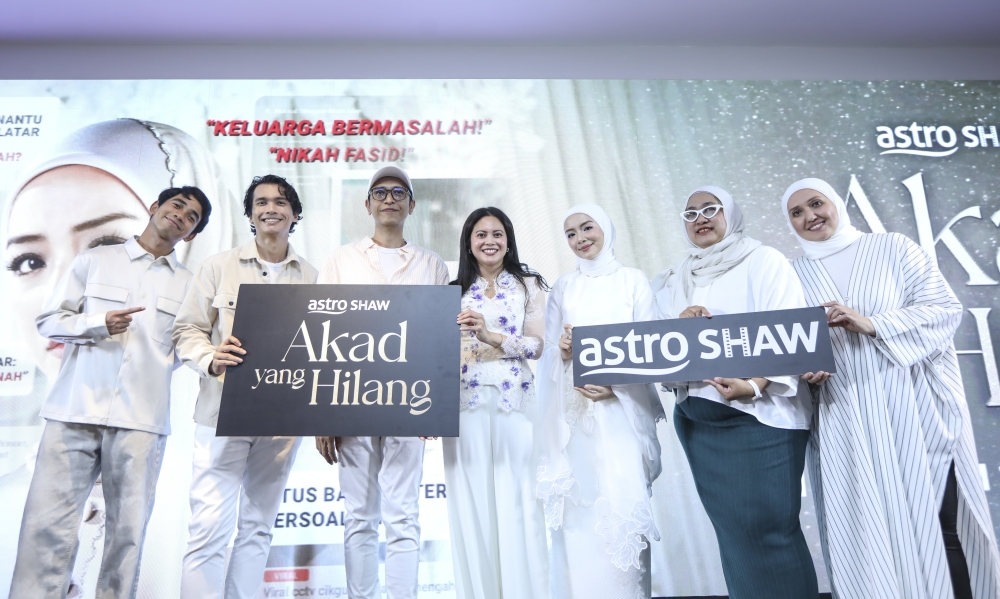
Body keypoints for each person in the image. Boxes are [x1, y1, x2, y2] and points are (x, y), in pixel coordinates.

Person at [781, 178, 1000, 599]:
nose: (810, 217)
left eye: (816, 203)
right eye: (797, 213)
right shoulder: (793, 275)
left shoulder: (893, 248)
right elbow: (786, 346)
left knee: (941, 522)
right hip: (844, 419)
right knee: (868, 531)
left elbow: (943, 309)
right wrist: (803, 367)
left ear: (836, 204)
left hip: (915, 409)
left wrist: (873, 323)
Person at [8, 185, 210, 598]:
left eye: (191, 217)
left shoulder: (191, 284)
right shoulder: (96, 260)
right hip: (73, 411)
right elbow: (50, 321)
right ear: (155, 208)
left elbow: (189, 342)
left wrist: (211, 357)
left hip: (141, 421)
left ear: (191, 234)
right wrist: (97, 322)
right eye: (176, 205)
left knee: (127, 535)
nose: (181, 215)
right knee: (46, 527)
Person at [651, 186, 818, 599]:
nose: (701, 218)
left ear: (731, 214)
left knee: (770, 531)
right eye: (691, 214)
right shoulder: (674, 278)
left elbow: (789, 334)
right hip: (699, 423)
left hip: (763, 417)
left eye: (711, 209)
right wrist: (678, 324)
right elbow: (658, 353)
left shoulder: (763, 260)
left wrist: (753, 384)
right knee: (735, 537)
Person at [173, 175, 317, 599]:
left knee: (258, 530)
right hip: (221, 415)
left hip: (280, 424)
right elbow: (187, 330)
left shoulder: (311, 276)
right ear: (251, 214)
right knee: (208, 530)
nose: (270, 208)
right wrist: (210, 357)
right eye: (261, 202)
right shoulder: (218, 266)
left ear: (295, 213)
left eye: (280, 201)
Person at [314, 165, 449, 599]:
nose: (389, 198)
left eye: (399, 192)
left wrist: (436, 403)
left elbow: (439, 338)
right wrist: (323, 414)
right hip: (351, 402)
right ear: (367, 203)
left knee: (403, 515)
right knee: (358, 515)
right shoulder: (340, 259)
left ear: (411, 205)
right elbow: (322, 335)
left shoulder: (432, 265)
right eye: (380, 192)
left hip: (409, 403)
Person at [535, 204, 664, 599]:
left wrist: (618, 386)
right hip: (576, 420)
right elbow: (549, 357)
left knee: (621, 509)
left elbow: (653, 348)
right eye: (571, 233)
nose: (580, 239)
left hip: (620, 415)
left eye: (586, 227)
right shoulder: (564, 287)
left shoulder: (632, 281)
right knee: (580, 514)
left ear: (605, 227)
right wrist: (564, 349)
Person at [445, 207, 550, 599]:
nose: (490, 241)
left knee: (520, 500)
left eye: (498, 233)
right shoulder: (451, 289)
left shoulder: (529, 286)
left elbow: (538, 346)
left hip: (515, 402)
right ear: (468, 243)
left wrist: (492, 338)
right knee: (470, 506)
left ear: (508, 240)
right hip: (463, 404)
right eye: (480, 234)